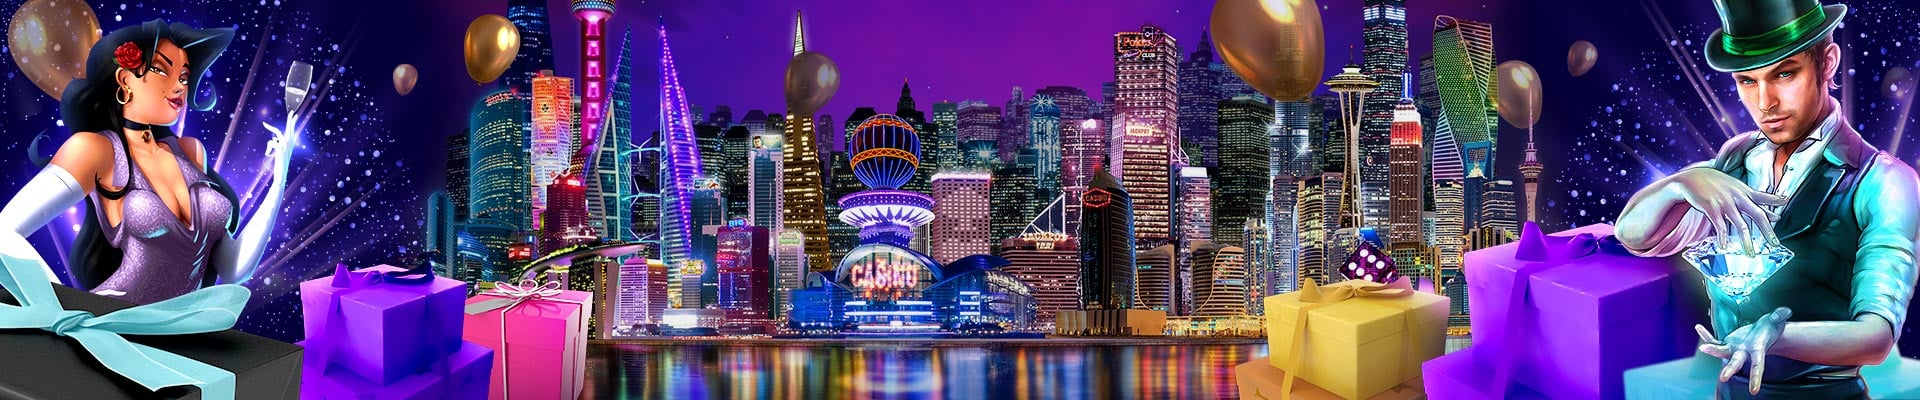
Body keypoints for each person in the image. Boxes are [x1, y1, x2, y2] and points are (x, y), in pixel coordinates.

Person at [1613, 0, 1916, 398]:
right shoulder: (1737, 156)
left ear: (1827, 63)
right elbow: (1633, 234)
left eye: (1785, 74)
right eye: (1747, 81)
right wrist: (1683, 183)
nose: (1764, 103)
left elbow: (1876, 337)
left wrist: (1780, 335)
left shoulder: (1883, 181)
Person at [0, 19, 295, 305]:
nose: (180, 86)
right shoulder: (95, 149)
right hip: (110, 330)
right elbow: (4, 231)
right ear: (124, 79)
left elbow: (233, 270)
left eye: (183, 75)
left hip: (185, 331)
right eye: (161, 70)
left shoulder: (190, 151)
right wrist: (59, 309)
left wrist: (279, 180)